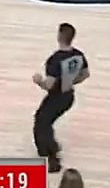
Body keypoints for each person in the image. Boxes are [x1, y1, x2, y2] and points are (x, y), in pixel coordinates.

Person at [32, 22, 89, 173]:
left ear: (59, 36)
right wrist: (69, 82)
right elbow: (85, 74)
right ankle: (52, 148)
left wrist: (38, 81)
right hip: (68, 96)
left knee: (41, 123)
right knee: (46, 121)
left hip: (56, 97)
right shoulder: (78, 55)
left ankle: (51, 157)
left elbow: (48, 85)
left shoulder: (55, 60)